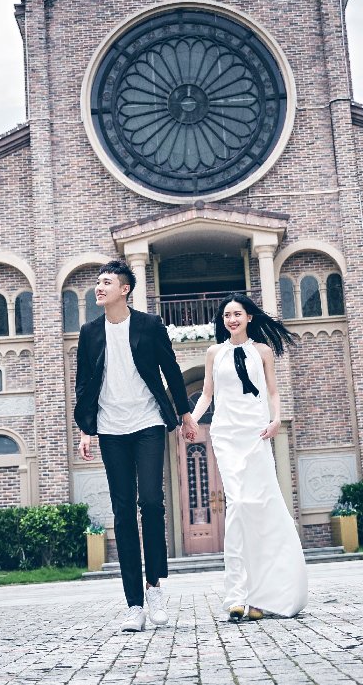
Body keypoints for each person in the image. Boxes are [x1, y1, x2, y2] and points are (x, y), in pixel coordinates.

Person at [74, 260, 195, 632]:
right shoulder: (90, 332)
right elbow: (83, 384)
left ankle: (154, 586)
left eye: (106, 282)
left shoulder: (148, 325)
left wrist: (185, 414)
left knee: (152, 502)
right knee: (123, 512)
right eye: (98, 282)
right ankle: (133, 605)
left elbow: (171, 370)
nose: (99, 287)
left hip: (147, 423)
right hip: (110, 429)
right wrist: (85, 430)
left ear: (124, 289)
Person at [183, 293, 307, 622]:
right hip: (226, 435)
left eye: (238, 314)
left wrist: (276, 419)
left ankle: (264, 594)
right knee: (237, 506)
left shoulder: (262, 351)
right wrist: (192, 419)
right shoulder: (214, 353)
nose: (232, 319)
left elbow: (273, 390)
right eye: (227, 315)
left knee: (260, 509)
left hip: (256, 434)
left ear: (249, 317)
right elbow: (208, 393)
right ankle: (237, 595)